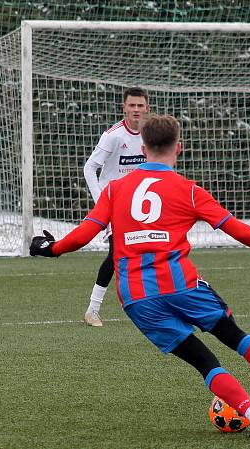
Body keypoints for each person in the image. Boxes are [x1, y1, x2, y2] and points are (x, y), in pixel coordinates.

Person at [30, 114, 250, 440]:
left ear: (143, 148)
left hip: (137, 298)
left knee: (203, 361)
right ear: (178, 148)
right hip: (181, 285)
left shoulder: (114, 189)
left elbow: (84, 234)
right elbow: (235, 228)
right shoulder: (189, 190)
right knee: (235, 336)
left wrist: (50, 248)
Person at [81, 87, 150, 327]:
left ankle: (148, 304)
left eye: (140, 106)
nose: (136, 110)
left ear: (147, 108)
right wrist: (102, 203)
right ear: (124, 108)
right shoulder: (113, 136)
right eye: (132, 105)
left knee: (148, 251)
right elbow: (89, 168)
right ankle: (93, 309)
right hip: (114, 204)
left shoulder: (151, 135)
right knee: (117, 252)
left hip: (140, 205)